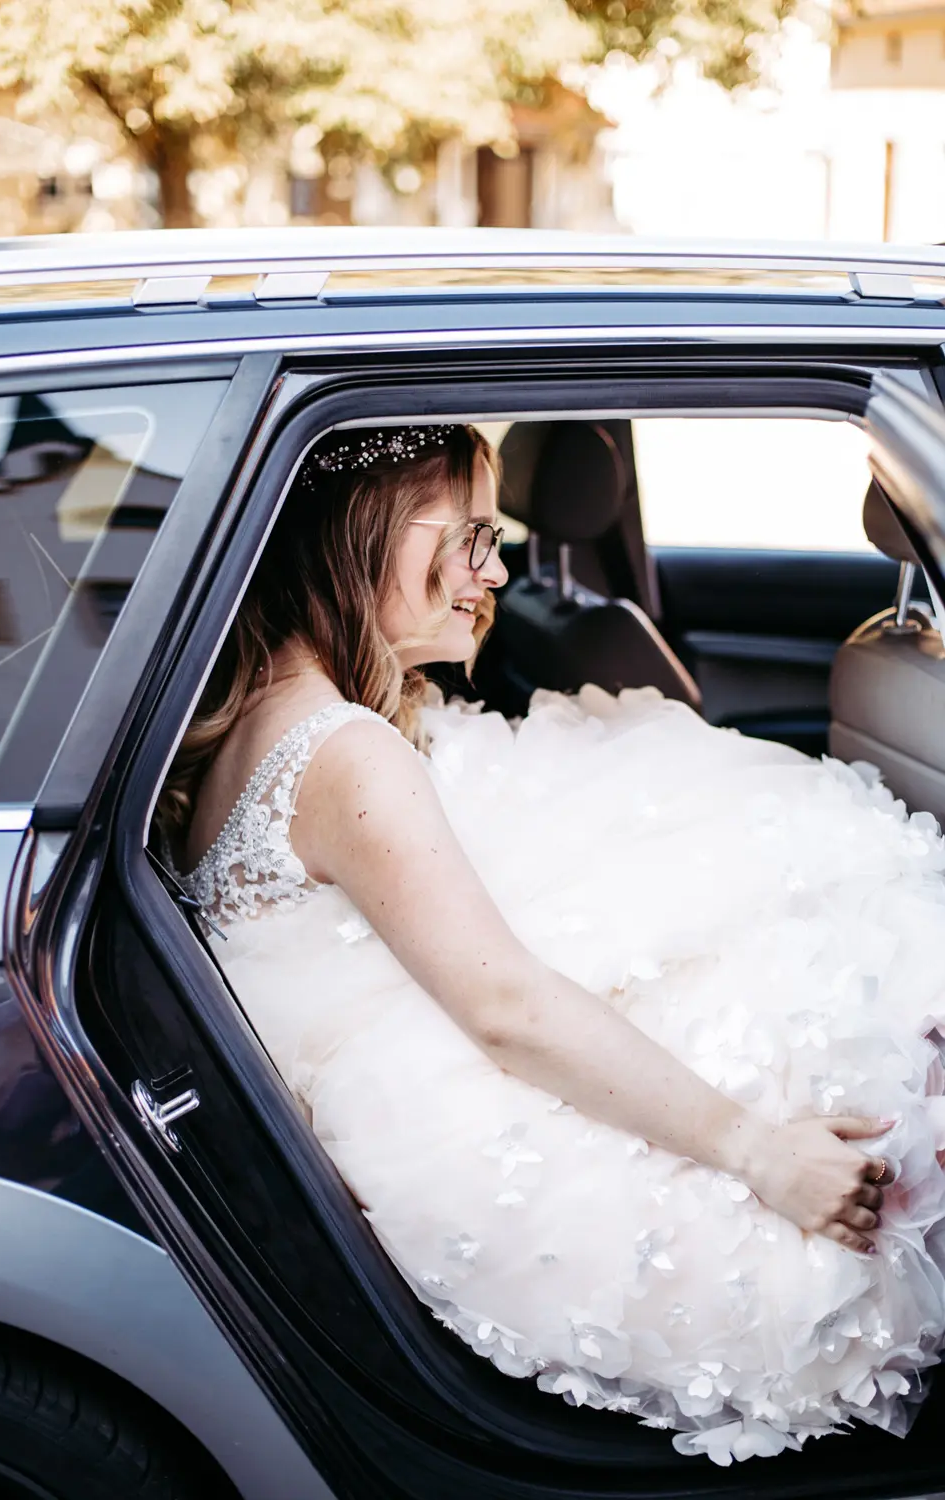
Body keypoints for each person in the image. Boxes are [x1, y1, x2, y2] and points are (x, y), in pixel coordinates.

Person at [160, 424, 945, 1466]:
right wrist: (759, 1153)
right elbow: (507, 1011)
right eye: (471, 536)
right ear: (365, 531)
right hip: (446, 1114)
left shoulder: (259, 712)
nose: (492, 570)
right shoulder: (345, 752)